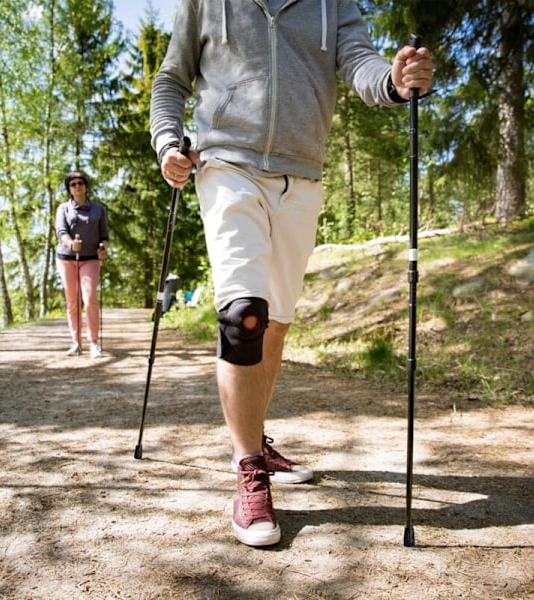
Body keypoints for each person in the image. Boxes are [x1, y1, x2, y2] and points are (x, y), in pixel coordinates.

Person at [150, 0, 434, 547]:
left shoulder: (333, 4)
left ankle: (254, 434)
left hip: (302, 175)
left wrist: (397, 82)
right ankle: (249, 467)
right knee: (244, 317)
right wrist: (168, 143)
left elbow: (361, 64)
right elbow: (171, 79)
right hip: (225, 165)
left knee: (275, 321)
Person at [55, 172, 109, 358]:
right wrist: (71, 243)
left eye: (80, 183)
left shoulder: (98, 210)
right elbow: (62, 231)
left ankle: (93, 342)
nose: (77, 186)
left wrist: (102, 248)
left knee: (90, 298)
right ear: (69, 189)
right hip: (67, 258)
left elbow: (104, 236)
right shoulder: (63, 208)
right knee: (72, 300)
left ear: (86, 186)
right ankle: (76, 342)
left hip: (91, 258)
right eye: (73, 184)